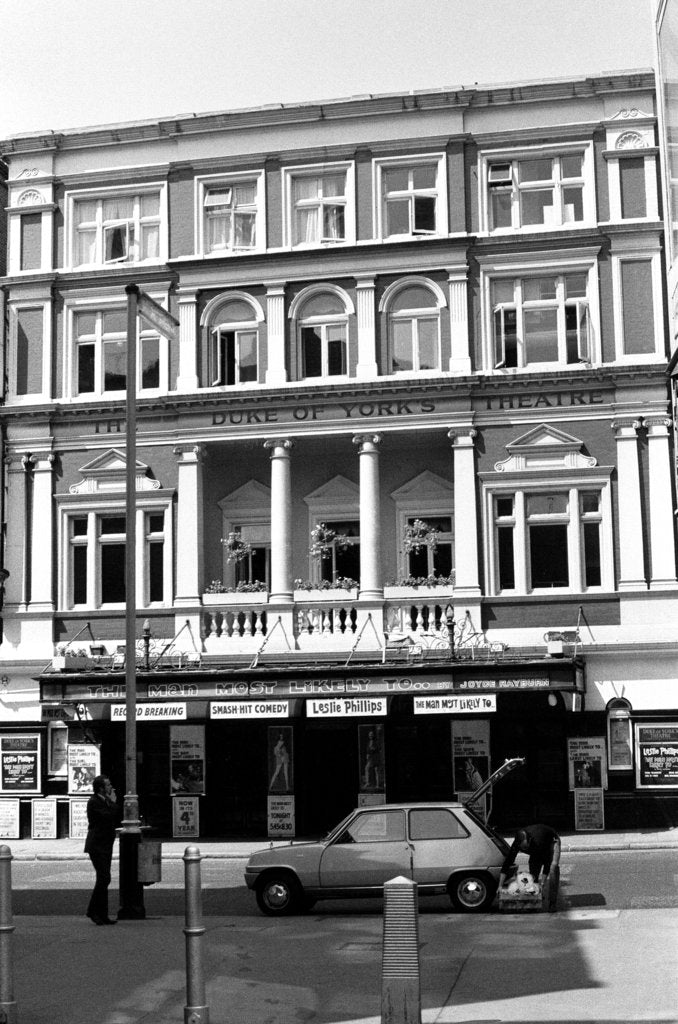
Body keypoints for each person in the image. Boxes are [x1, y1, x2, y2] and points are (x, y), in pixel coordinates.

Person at [84, 775, 120, 925]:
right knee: (104, 878)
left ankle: (102, 914)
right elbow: (108, 816)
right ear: (101, 788)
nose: (111, 787)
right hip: (97, 845)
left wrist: (111, 802)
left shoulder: (104, 801)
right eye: (108, 785)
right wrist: (113, 802)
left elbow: (114, 816)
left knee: (104, 878)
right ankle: (93, 911)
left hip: (105, 844)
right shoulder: (94, 801)